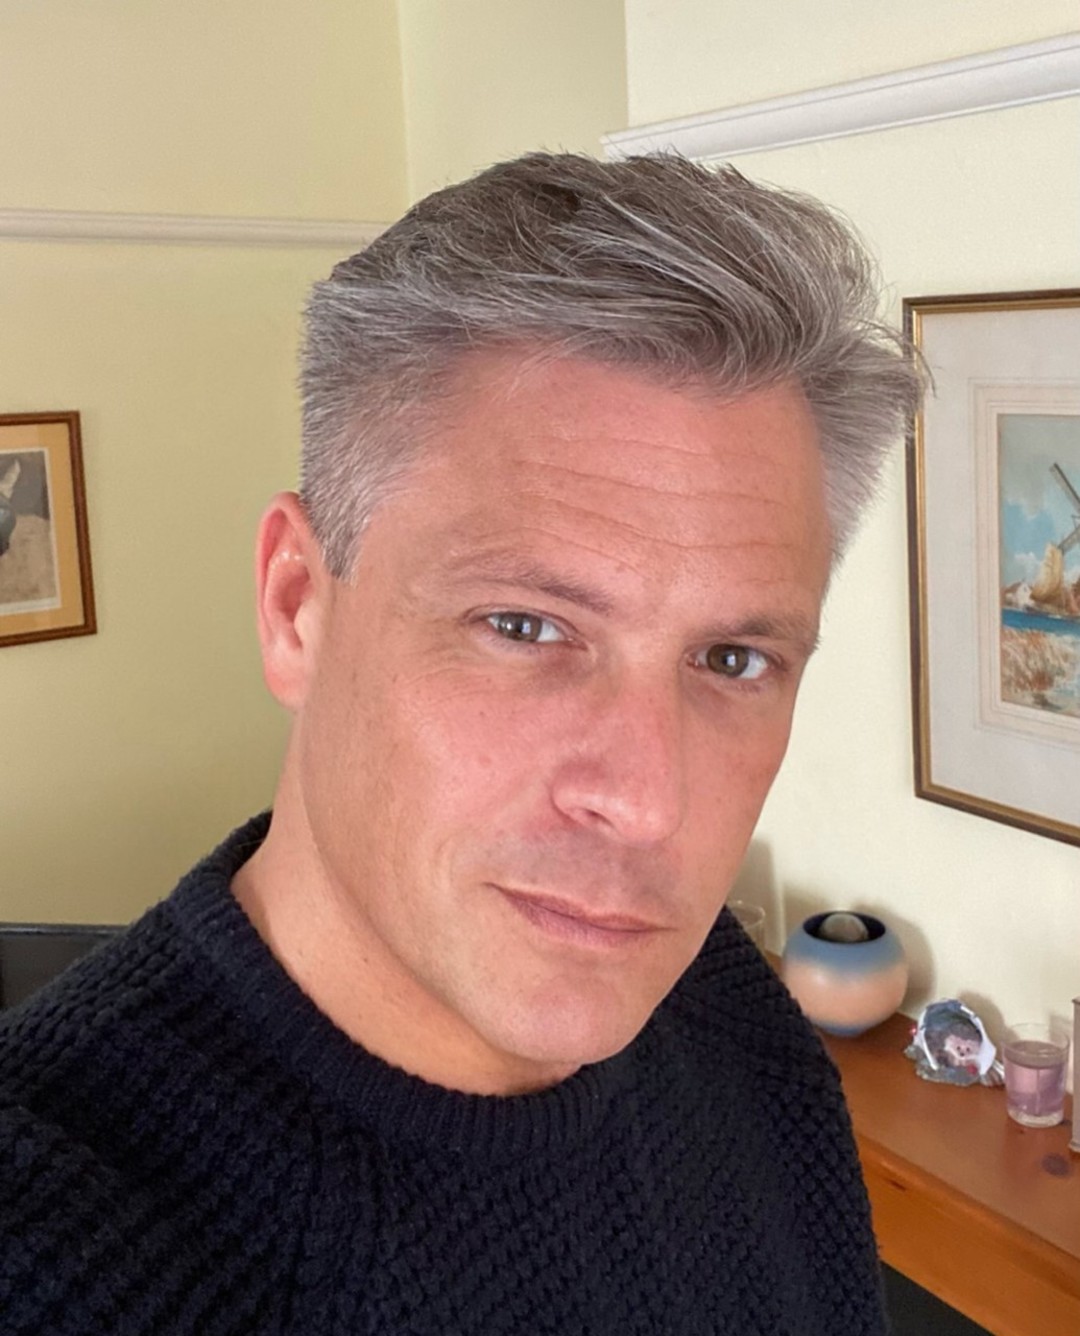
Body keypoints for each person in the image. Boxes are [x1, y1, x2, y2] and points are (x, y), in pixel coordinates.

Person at [0, 152, 921, 1334]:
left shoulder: (735, 1026)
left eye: (733, 659)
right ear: (296, 605)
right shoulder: (53, 1248)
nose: (649, 802)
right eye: (526, 626)